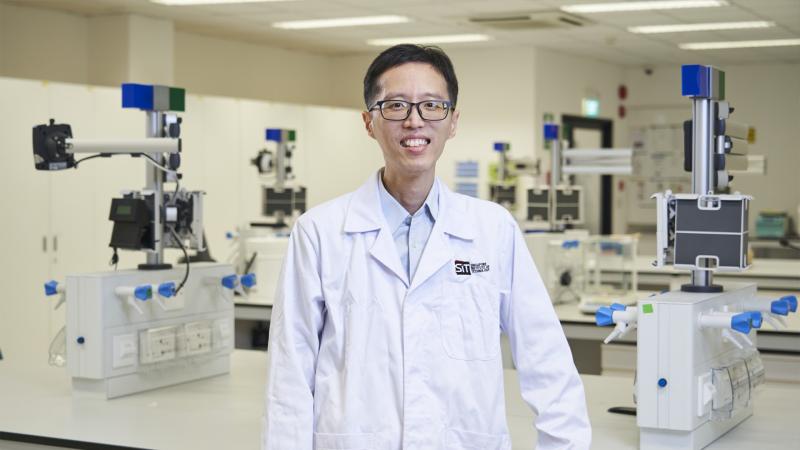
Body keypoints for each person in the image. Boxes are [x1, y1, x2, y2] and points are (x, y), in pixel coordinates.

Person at [263, 44, 591, 450]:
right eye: (396, 105)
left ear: (453, 121)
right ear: (369, 122)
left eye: (432, 105)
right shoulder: (319, 233)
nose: (414, 120)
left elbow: (546, 359)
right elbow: (289, 375)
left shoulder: (492, 230)